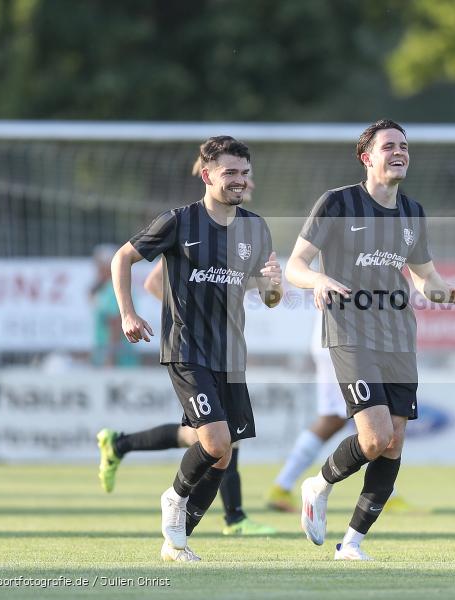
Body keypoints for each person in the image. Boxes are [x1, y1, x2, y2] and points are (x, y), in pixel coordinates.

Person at [285, 119, 455, 560]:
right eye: (389, 146)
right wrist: (317, 281)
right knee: (373, 438)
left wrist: (448, 293)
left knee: (395, 440)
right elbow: (295, 264)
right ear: (367, 157)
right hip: (350, 333)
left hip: (399, 337)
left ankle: (351, 543)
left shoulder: (413, 212)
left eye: (404, 146)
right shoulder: (338, 203)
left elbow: (424, 277)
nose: (399, 152)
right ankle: (319, 484)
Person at [110, 135, 282, 561]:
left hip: (230, 355)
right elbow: (122, 259)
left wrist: (274, 286)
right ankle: (174, 497)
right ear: (207, 175)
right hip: (186, 348)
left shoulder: (255, 227)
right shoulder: (178, 221)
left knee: (222, 457)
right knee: (216, 440)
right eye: (230, 173)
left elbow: (266, 294)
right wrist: (128, 314)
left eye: (245, 173)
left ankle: (177, 540)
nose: (239, 180)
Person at [265, 313, 413, 514]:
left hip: (346, 341)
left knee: (336, 419)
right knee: (367, 418)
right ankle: (385, 494)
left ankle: (282, 486)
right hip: (344, 343)